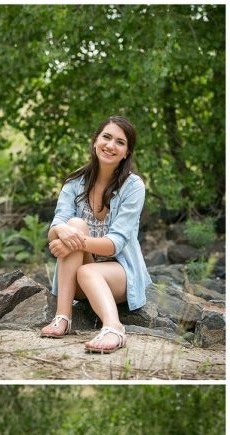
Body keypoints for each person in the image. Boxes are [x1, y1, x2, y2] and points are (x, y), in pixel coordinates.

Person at [40, 116, 151, 353]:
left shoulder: (133, 187)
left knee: (86, 269)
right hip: (78, 280)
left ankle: (114, 328)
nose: (111, 146)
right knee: (74, 224)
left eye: (120, 142)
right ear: (95, 141)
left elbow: (114, 245)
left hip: (120, 275)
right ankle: (63, 317)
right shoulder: (74, 182)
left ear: (126, 152)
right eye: (106, 137)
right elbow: (55, 227)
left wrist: (72, 244)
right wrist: (61, 232)